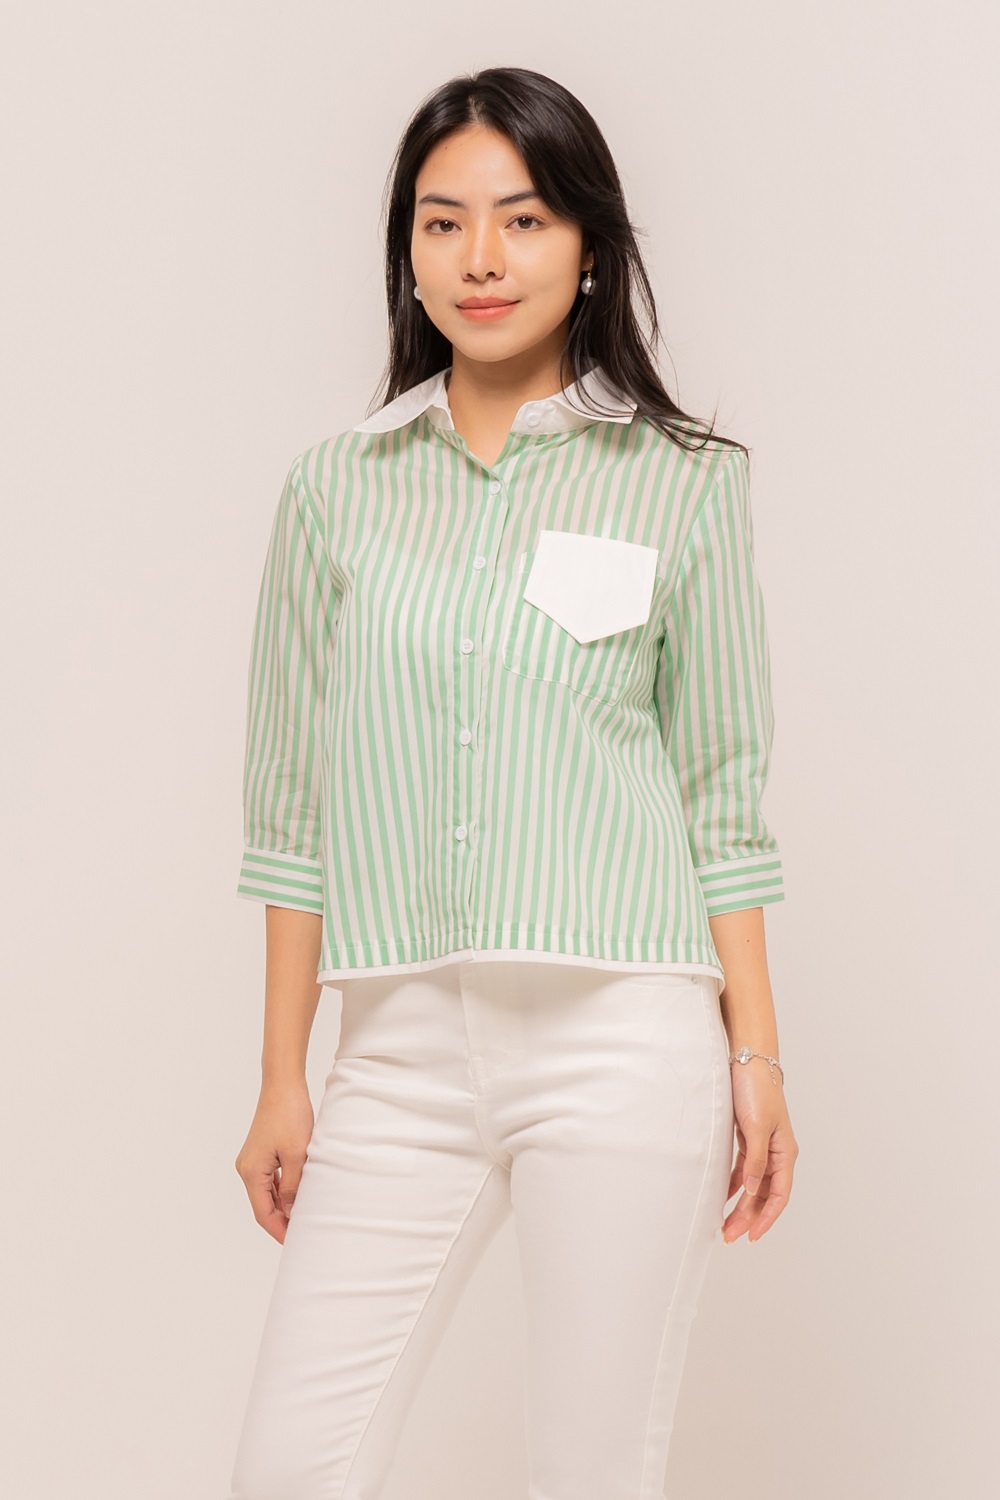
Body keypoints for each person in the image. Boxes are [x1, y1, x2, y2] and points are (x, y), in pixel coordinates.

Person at [228, 65, 798, 1500]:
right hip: (398, 1048)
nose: (481, 257)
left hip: (624, 1037)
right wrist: (284, 1077)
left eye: (524, 218)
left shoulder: (684, 482)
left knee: (591, 1472)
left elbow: (720, 791)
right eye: (444, 222)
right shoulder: (333, 491)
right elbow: (291, 807)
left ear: (589, 244)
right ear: (408, 253)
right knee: (290, 1469)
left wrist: (758, 1061)